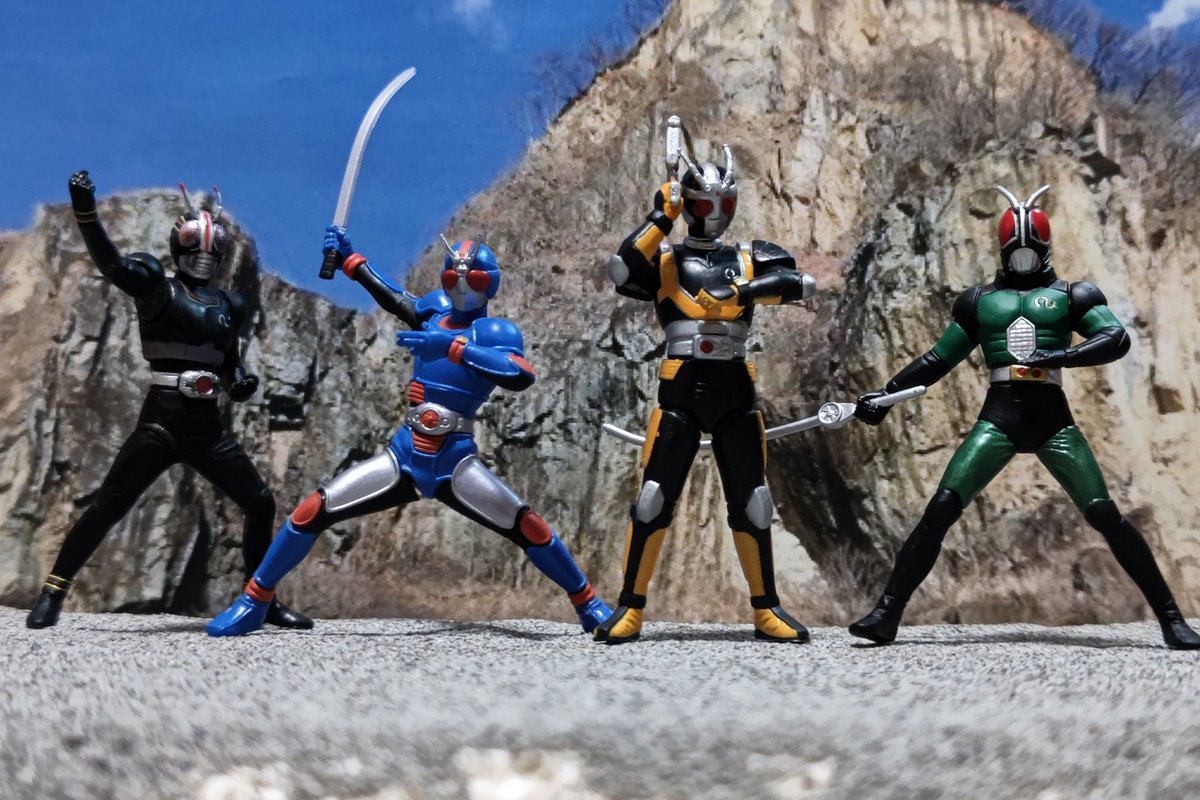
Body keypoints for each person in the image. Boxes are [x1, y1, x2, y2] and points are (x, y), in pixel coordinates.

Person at [207, 228, 612, 636]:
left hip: (454, 460)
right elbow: (395, 297)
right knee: (311, 511)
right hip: (405, 455)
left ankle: (589, 604)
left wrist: (452, 349)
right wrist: (350, 262)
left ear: (490, 283)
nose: (462, 286)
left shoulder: (494, 333)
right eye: (453, 277)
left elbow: (519, 374)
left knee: (529, 527)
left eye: (473, 278)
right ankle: (254, 600)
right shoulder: (433, 312)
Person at [849, 184, 1200, 650]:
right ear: (1002, 249)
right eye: (1015, 250)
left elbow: (1115, 338)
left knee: (1104, 514)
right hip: (1000, 416)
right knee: (941, 508)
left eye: (1029, 249)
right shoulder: (980, 301)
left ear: (1045, 247)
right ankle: (886, 613)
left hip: (1052, 419)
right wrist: (886, 394)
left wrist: (1062, 356)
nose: (1022, 258)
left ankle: (1171, 619)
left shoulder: (1072, 295)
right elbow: (938, 359)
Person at [27, 171, 310, 630]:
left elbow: (228, 360)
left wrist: (239, 380)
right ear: (179, 250)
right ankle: (53, 591)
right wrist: (86, 213)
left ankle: (262, 599)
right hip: (162, 420)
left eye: (211, 253)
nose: (203, 259)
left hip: (206, 426)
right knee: (110, 503)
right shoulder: (158, 286)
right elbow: (113, 266)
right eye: (195, 251)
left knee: (260, 502)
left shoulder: (229, 305)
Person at [596, 140, 816, 644]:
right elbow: (622, 269)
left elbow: (801, 283)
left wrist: (745, 291)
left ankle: (766, 608)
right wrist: (661, 216)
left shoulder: (749, 257)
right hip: (681, 389)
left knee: (753, 500)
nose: (715, 213)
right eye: (704, 204)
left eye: (724, 203)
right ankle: (629, 606)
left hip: (734, 388)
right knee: (653, 498)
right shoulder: (665, 260)